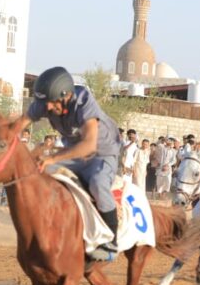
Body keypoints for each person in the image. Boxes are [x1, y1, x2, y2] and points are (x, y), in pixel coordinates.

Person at [15, 66, 123, 254]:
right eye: (45, 103)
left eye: (51, 102)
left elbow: (89, 144)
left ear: (66, 96)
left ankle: (111, 239)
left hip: (101, 154)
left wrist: (52, 158)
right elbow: (18, 124)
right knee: (38, 171)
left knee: (98, 184)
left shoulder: (84, 101)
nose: (47, 108)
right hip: (74, 154)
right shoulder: (45, 101)